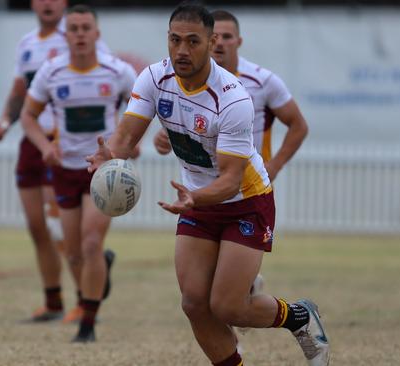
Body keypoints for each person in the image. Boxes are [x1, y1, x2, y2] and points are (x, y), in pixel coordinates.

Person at [87, 4, 329, 365]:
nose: (181, 50)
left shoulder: (232, 98)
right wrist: (110, 157)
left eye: (192, 41)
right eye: (174, 40)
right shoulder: (154, 78)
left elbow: (231, 179)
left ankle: (298, 316)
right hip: (197, 203)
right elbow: (125, 135)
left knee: (228, 306)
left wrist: (195, 198)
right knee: (194, 304)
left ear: (211, 41)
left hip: (246, 201)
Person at [152, 9, 310, 314]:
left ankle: (246, 295)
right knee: (202, 298)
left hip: (247, 188)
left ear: (238, 41)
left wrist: (273, 166)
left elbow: (298, 125)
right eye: (217, 37)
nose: (221, 43)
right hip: (206, 192)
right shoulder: (182, 81)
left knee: (224, 303)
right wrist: (165, 137)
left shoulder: (260, 81)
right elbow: (188, 127)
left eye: (227, 37)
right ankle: (239, 300)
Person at [21, 4, 136, 342]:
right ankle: (100, 269)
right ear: (65, 34)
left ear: (97, 34)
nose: (81, 34)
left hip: (104, 171)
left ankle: (87, 324)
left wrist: (128, 142)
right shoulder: (51, 72)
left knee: (89, 242)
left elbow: (143, 107)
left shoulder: (117, 71)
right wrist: (45, 146)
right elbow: (29, 116)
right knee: (72, 251)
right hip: (65, 169)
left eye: (87, 28)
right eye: (74, 28)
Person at [0, 0, 82, 323]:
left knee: (59, 223)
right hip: (31, 142)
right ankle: (53, 301)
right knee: (35, 225)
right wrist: (4, 120)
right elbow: (20, 90)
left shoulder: (76, 35)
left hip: (62, 143)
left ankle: (87, 297)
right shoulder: (27, 44)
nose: (47, 3)